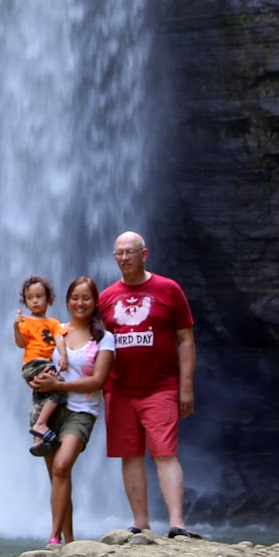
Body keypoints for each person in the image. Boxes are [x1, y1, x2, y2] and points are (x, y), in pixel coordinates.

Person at [98, 230, 196, 537]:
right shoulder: (105, 297)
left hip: (161, 386)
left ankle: (177, 524)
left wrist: (186, 386)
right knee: (130, 454)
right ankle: (141, 523)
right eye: (119, 253)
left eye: (130, 252)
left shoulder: (169, 289)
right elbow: (94, 344)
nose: (124, 258)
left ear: (145, 254)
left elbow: (185, 339)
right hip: (119, 388)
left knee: (165, 453)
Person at [28, 275, 114, 546]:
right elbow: (36, 358)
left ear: (95, 302)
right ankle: (69, 539)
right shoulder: (57, 331)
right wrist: (37, 380)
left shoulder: (105, 339)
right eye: (75, 298)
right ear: (66, 302)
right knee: (58, 475)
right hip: (50, 411)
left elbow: (98, 381)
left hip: (82, 411)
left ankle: (53, 537)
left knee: (63, 466)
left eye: (86, 298)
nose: (80, 303)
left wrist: (59, 386)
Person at [14, 275, 69, 454]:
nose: (34, 301)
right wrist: (16, 327)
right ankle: (41, 424)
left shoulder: (53, 322)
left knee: (41, 398)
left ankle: (38, 440)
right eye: (29, 298)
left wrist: (63, 355)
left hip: (45, 362)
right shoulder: (26, 322)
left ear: (49, 299)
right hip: (33, 363)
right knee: (59, 386)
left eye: (39, 296)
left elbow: (60, 338)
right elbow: (21, 343)